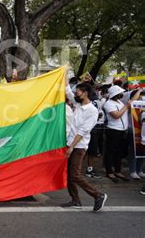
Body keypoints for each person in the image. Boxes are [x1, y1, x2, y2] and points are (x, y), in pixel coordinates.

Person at [61, 83, 107, 212]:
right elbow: (68, 92)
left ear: (85, 93)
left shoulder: (92, 111)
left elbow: (83, 131)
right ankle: (75, 200)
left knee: (75, 174)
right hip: (70, 143)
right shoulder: (78, 105)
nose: (76, 93)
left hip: (79, 146)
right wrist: (64, 75)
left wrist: (71, 147)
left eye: (78, 91)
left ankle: (98, 195)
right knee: (70, 175)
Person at [103, 85, 140, 182]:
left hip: (123, 131)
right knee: (110, 152)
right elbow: (116, 115)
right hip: (113, 130)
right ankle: (109, 172)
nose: (122, 94)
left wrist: (139, 90)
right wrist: (126, 106)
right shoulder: (108, 104)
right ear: (115, 94)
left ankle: (118, 170)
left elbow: (132, 101)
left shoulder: (119, 102)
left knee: (119, 152)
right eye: (120, 93)